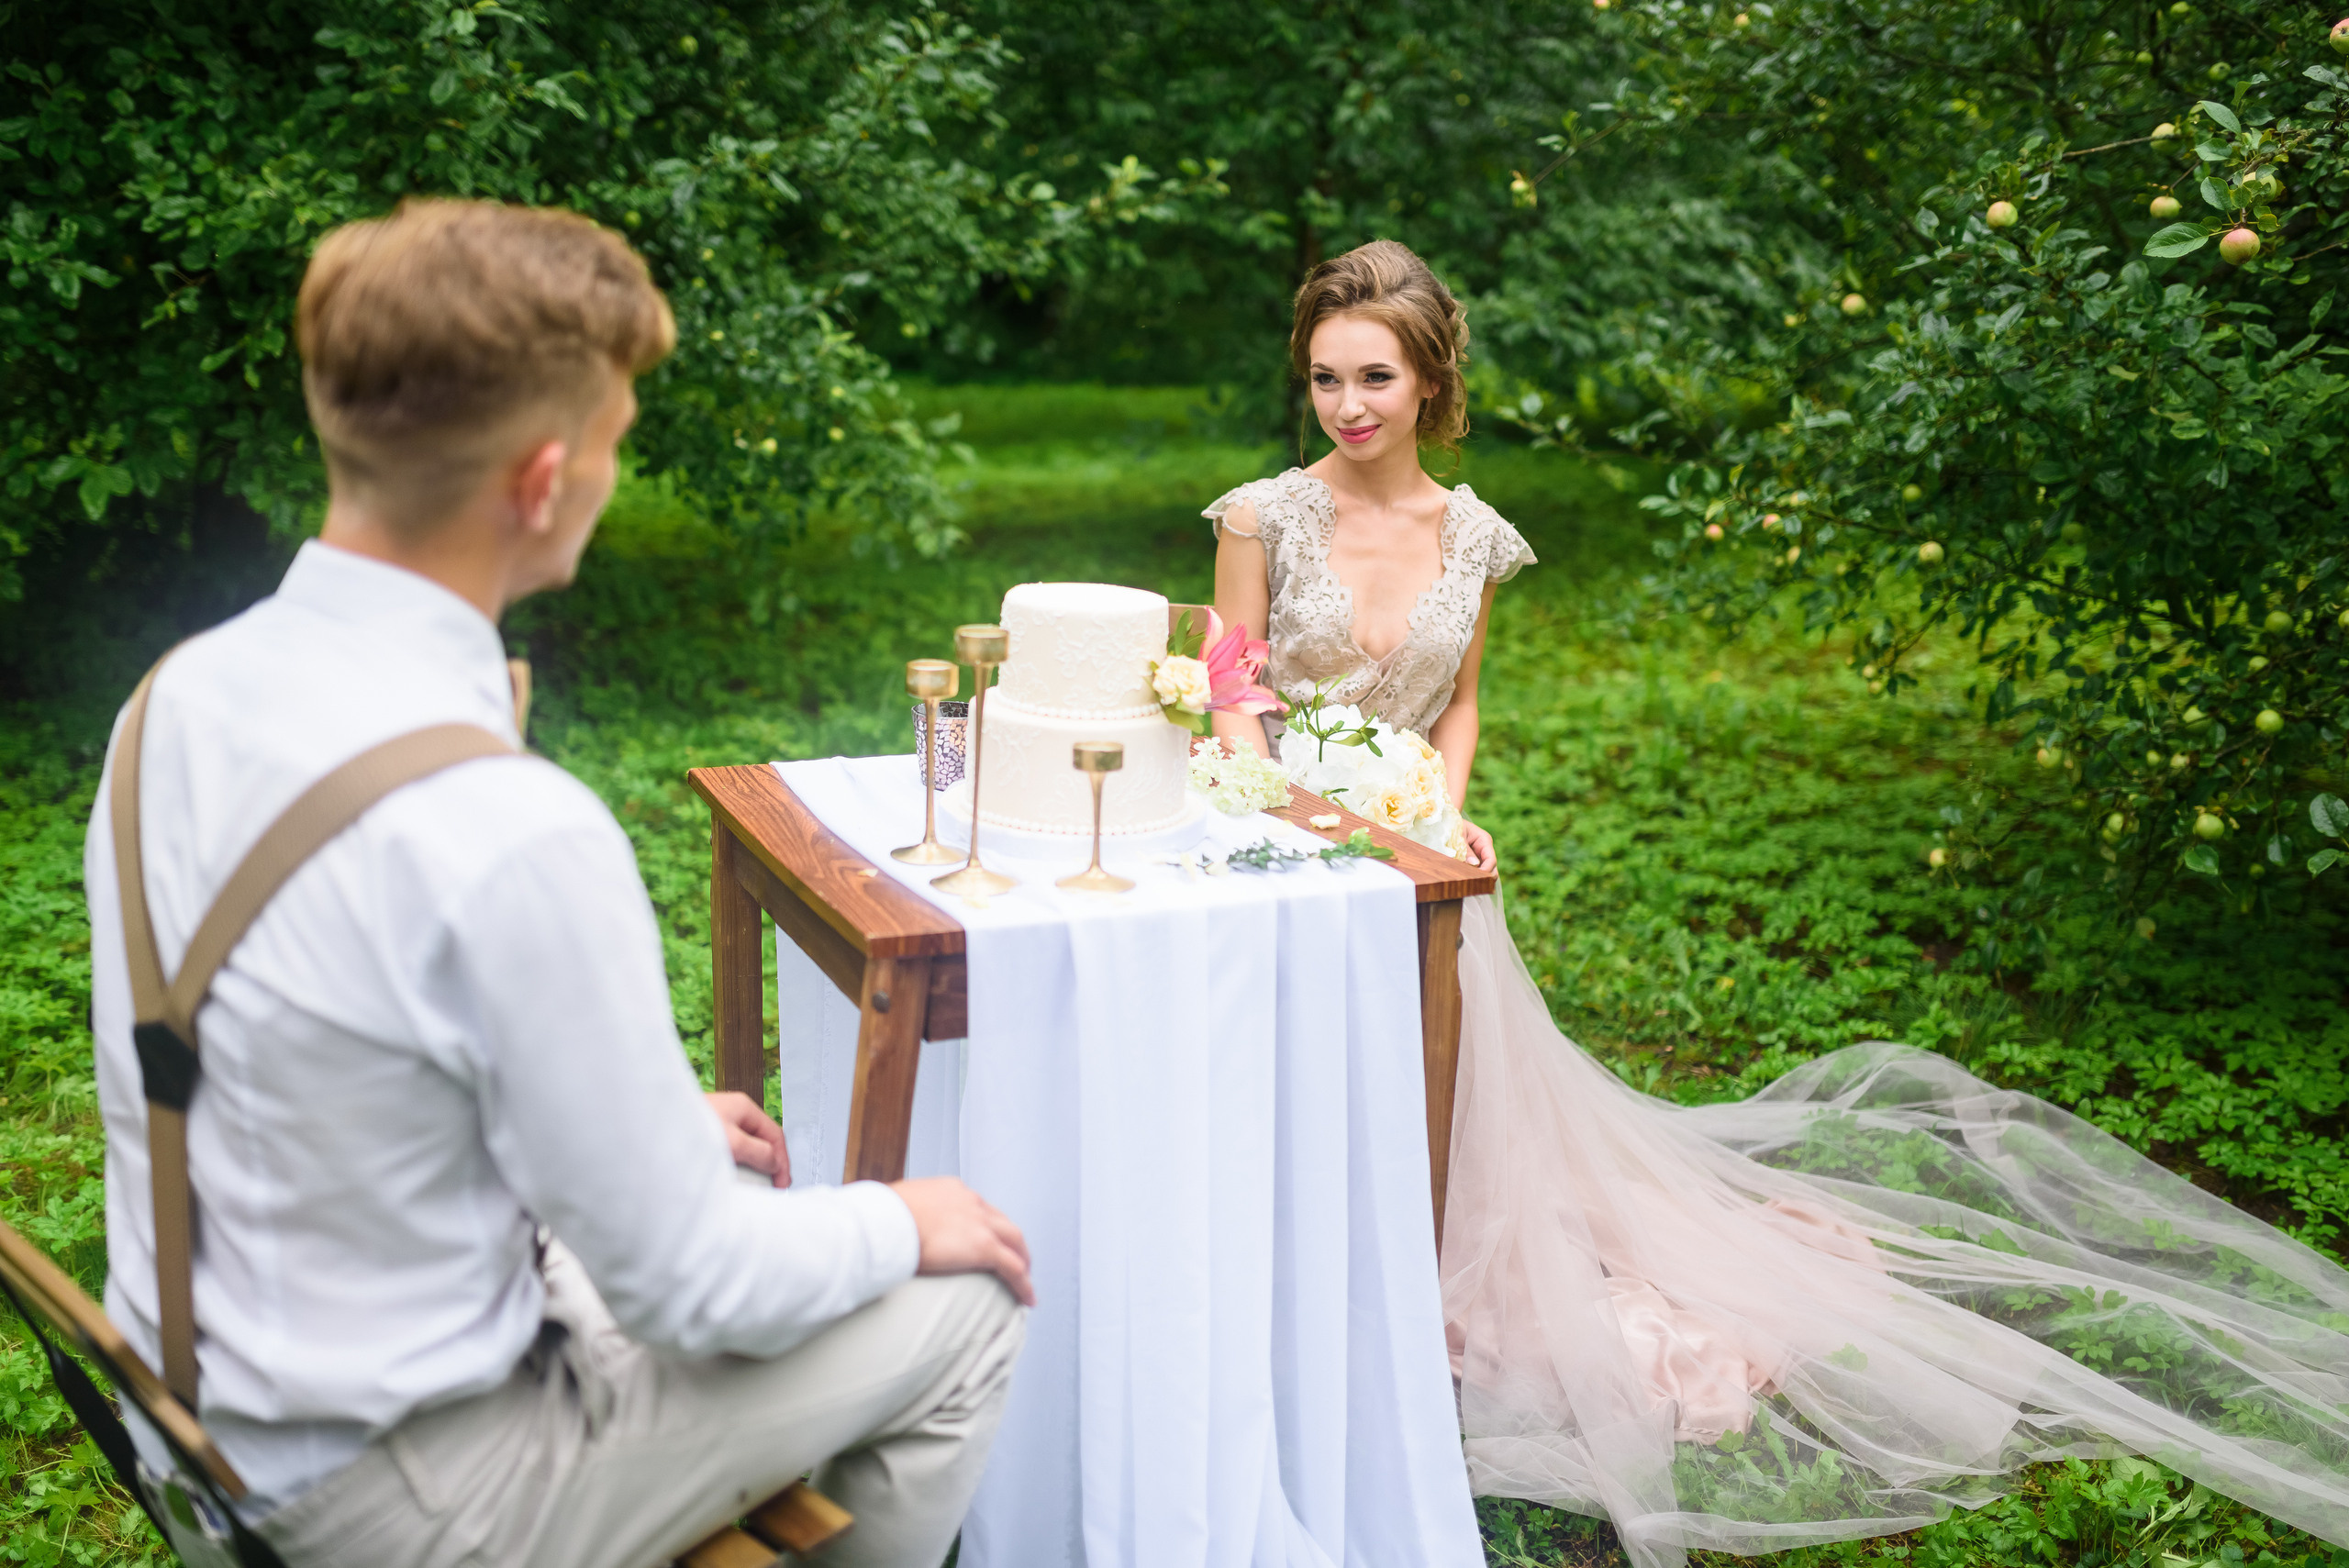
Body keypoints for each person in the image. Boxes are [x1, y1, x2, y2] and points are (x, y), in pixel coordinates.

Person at [1208, 239, 2349, 1568]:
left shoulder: (1477, 536)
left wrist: (1439, 810)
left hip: (1429, 858)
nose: (1348, 406)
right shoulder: (1261, 515)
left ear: (1430, 378)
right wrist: (1293, 811)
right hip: (1280, 843)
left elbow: (1455, 704)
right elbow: (1234, 687)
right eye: (1326, 379)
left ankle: (1395, 1276)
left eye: (1376, 378)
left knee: (1441, 1093)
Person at [83, 198, 1031, 1568]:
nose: (609, 471)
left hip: (199, 1414)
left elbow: (306, 1050)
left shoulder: (173, 696)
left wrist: (623, 1124)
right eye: (614, 440)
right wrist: (903, 1212)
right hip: (389, 1498)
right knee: (962, 1305)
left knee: (743, 1201)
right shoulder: (508, 824)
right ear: (542, 480)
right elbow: (695, 1285)